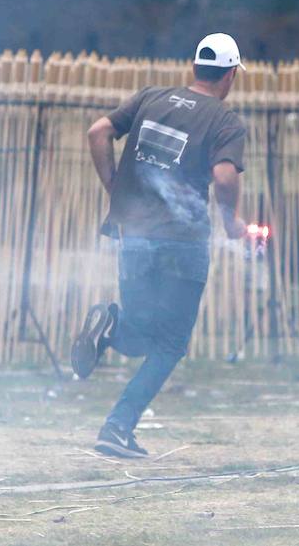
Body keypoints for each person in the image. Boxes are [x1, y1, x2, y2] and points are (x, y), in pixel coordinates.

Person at [71, 32, 248, 458]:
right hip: (181, 243)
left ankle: (110, 327)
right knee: (169, 345)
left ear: (194, 68)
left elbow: (98, 132)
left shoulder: (151, 97)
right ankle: (117, 427)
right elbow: (225, 177)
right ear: (228, 76)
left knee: (140, 332)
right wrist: (231, 222)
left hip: (133, 235)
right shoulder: (224, 120)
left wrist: (115, 190)